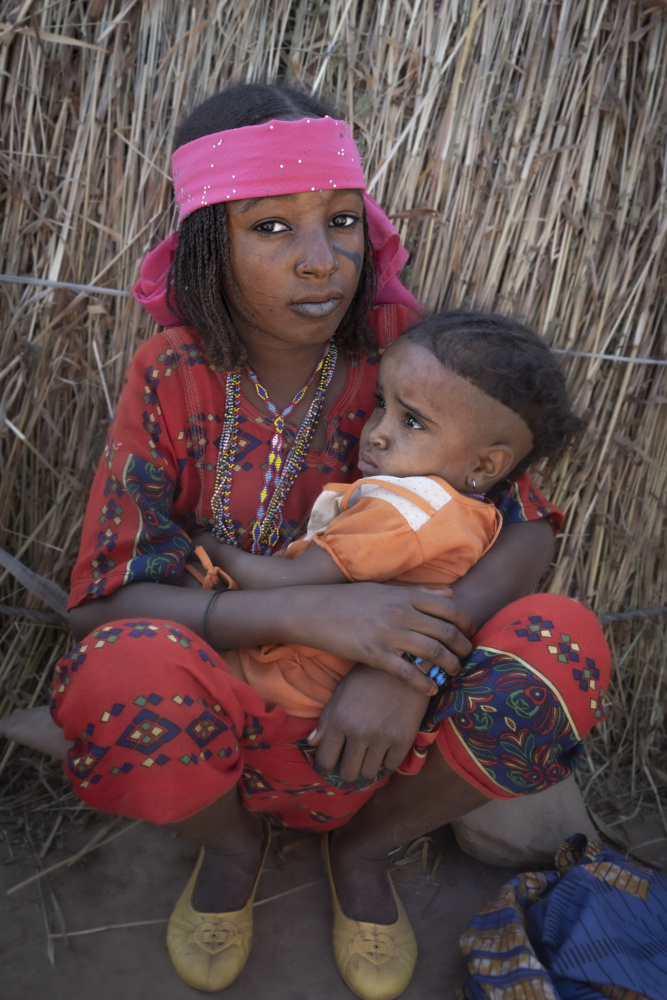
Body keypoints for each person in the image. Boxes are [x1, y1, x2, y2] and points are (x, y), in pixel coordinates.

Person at [48, 83, 610, 999]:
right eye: (272, 228)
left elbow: (526, 529)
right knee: (116, 674)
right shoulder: (170, 373)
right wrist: (314, 611)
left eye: (341, 222)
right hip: (234, 709)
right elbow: (106, 599)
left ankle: (367, 845)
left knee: (562, 640)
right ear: (207, 248)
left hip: (393, 733)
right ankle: (230, 847)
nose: (321, 261)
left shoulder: (404, 349)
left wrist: (405, 661)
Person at [187, 310, 586, 720]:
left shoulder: (407, 511)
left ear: (486, 467)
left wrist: (214, 549)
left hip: (291, 682)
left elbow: (289, 581)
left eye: (412, 421)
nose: (376, 431)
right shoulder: (466, 516)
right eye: (381, 403)